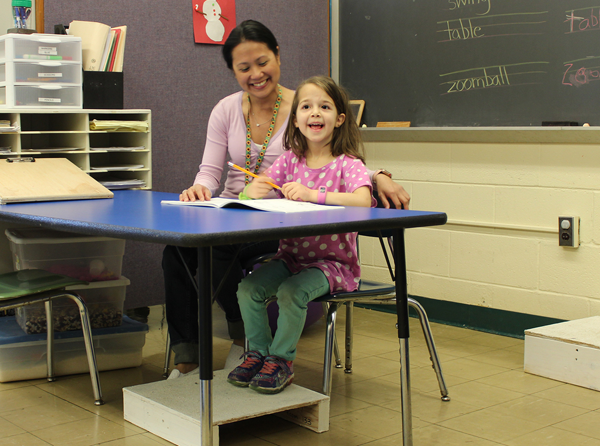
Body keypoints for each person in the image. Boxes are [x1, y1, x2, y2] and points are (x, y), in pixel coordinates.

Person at [163, 20, 410, 379]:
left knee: (216, 249)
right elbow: (210, 171)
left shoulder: (308, 104)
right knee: (178, 249)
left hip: (283, 224)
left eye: (262, 62)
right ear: (232, 71)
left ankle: (245, 340)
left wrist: (378, 177)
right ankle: (187, 357)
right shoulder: (226, 110)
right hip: (239, 211)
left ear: (277, 55)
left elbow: (342, 161)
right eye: (243, 68)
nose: (255, 74)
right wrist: (200, 188)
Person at [227, 76, 375, 394]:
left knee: (291, 294)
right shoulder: (291, 160)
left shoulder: (348, 165)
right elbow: (251, 194)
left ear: (340, 118)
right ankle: (258, 354)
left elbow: (363, 201)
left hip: (333, 265)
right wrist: (253, 189)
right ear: (295, 119)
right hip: (291, 258)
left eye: (324, 106)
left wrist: (313, 194)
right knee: (247, 289)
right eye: (306, 107)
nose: (315, 113)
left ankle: (281, 361)